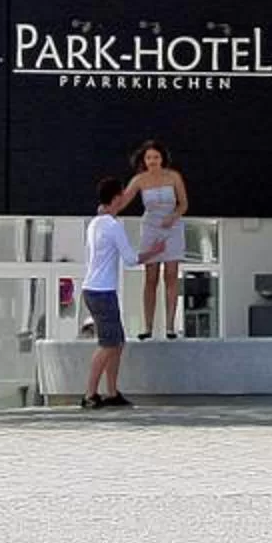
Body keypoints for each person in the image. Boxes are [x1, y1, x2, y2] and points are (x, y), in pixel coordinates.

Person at [81, 173, 164, 410]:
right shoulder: (113, 225)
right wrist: (154, 251)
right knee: (108, 344)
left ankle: (112, 391)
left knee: (116, 342)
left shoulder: (95, 223)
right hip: (103, 291)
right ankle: (90, 394)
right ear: (117, 198)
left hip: (93, 289)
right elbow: (130, 259)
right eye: (123, 196)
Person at [124, 139, 192, 339]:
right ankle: (148, 327)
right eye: (148, 158)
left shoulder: (174, 177)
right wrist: (109, 209)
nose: (152, 161)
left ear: (162, 159)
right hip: (151, 226)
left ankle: (170, 326)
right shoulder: (139, 180)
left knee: (171, 275)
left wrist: (173, 216)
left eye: (156, 157)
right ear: (143, 160)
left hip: (172, 224)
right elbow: (125, 199)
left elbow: (184, 204)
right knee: (150, 277)